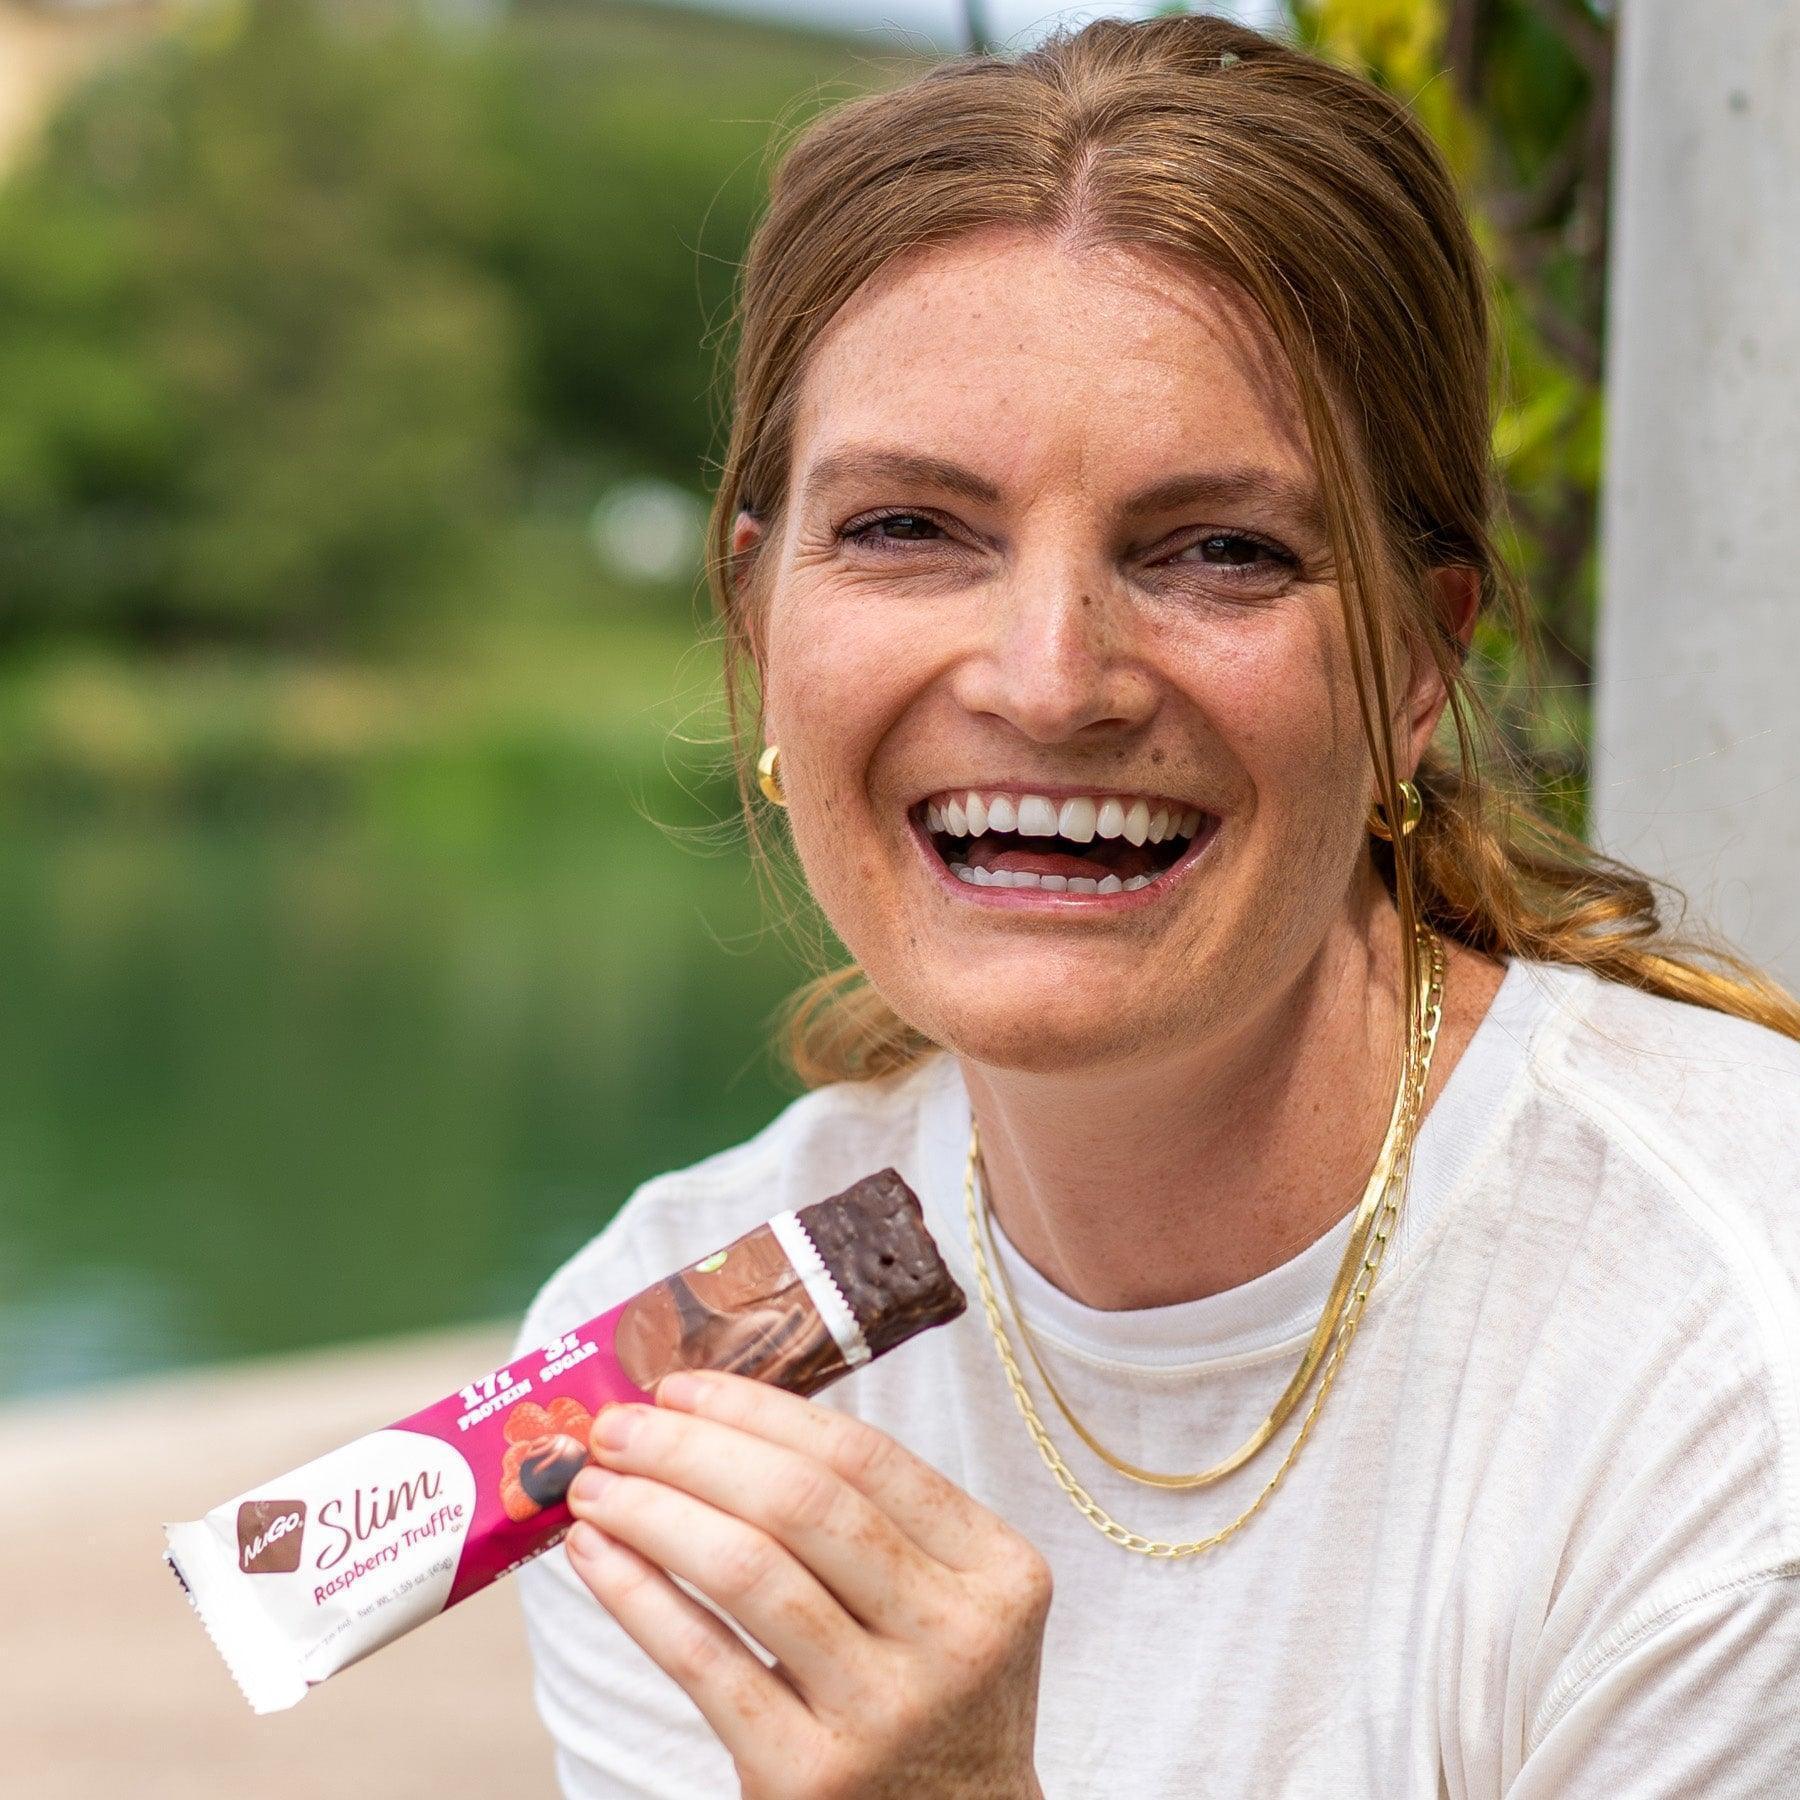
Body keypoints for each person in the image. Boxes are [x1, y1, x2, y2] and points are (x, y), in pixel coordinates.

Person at [512, 14, 1800, 1797]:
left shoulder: (1736, 1352)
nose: (1051, 681)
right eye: (907, 528)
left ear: (1417, 665)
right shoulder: (675, 1359)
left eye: (1220, 551)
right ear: (759, 616)